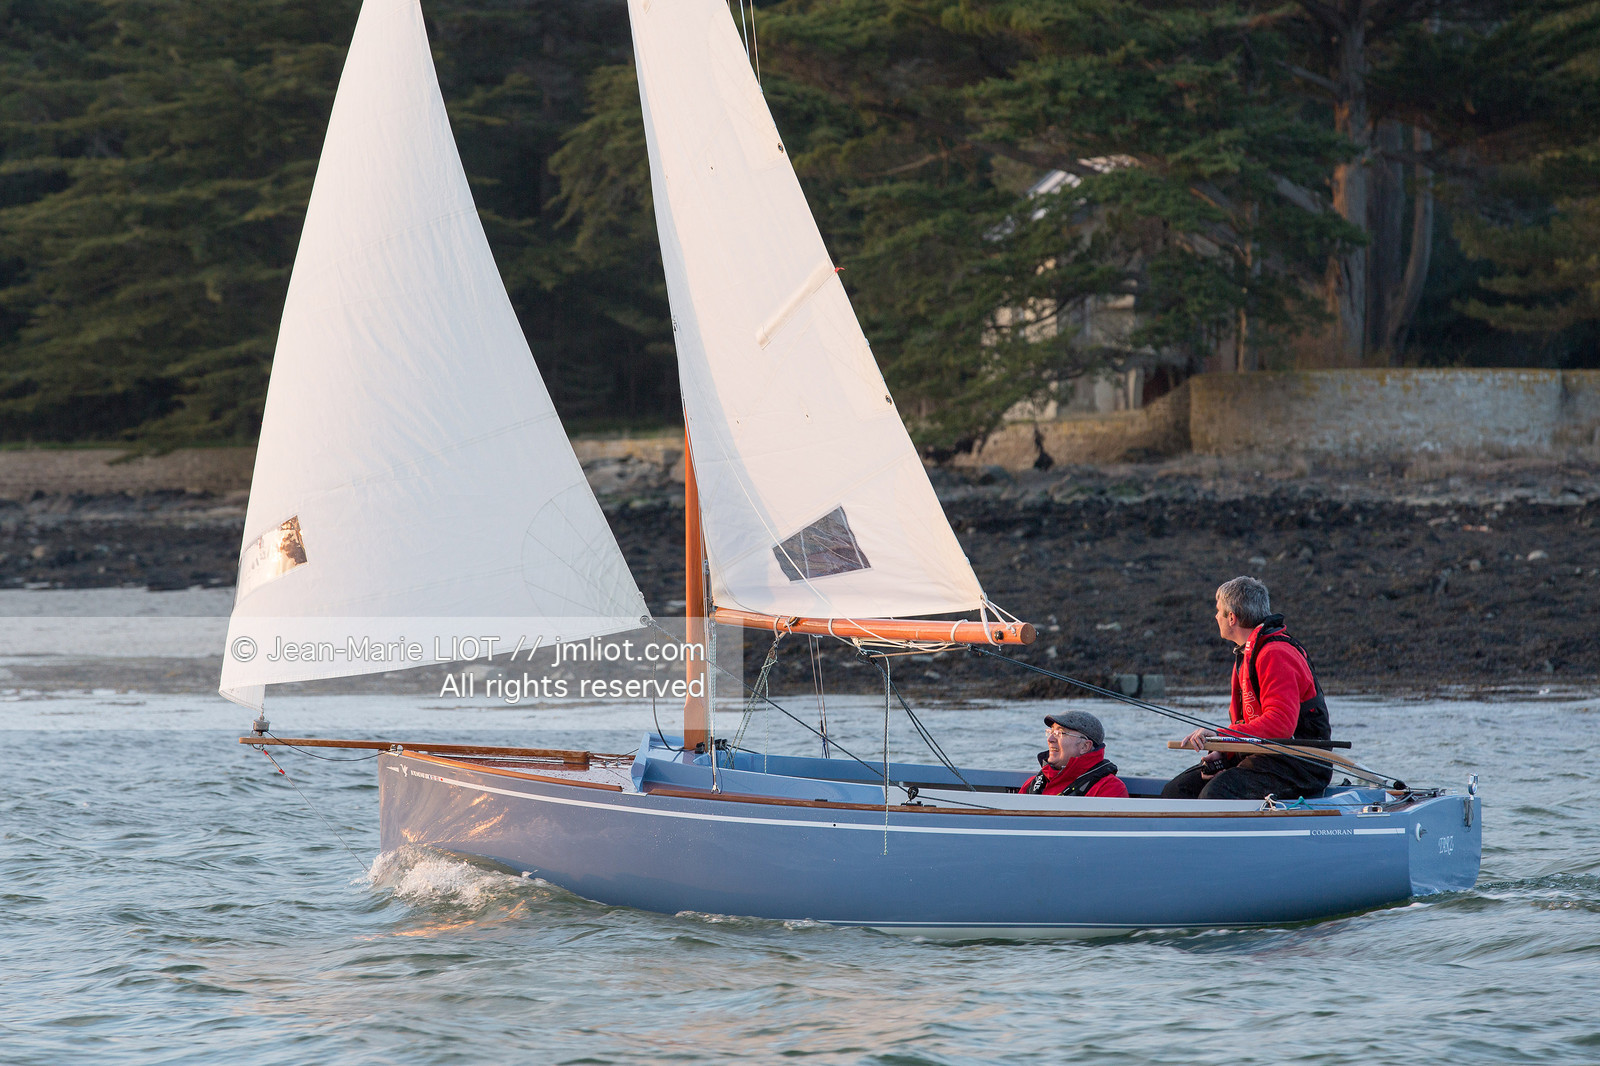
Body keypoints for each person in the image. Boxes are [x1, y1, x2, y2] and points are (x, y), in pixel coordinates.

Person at [1161, 576, 1333, 800]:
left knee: (1215, 795)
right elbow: (1247, 724)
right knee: (1177, 791)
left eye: (1218, 611)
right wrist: (1225, 751)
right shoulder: (1246, 653)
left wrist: (1220, 735)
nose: (1215, 617)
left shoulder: (1275, 653)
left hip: (1301, 764)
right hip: (1264, 755)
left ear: (1231, 617)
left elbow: (1280, 725)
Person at [1019, 710, 1128, 798]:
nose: (1050, 739)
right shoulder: (1032, 785)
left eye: (1060, 733)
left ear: (1084, 746)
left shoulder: (1109, 788)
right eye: (1051, 732)